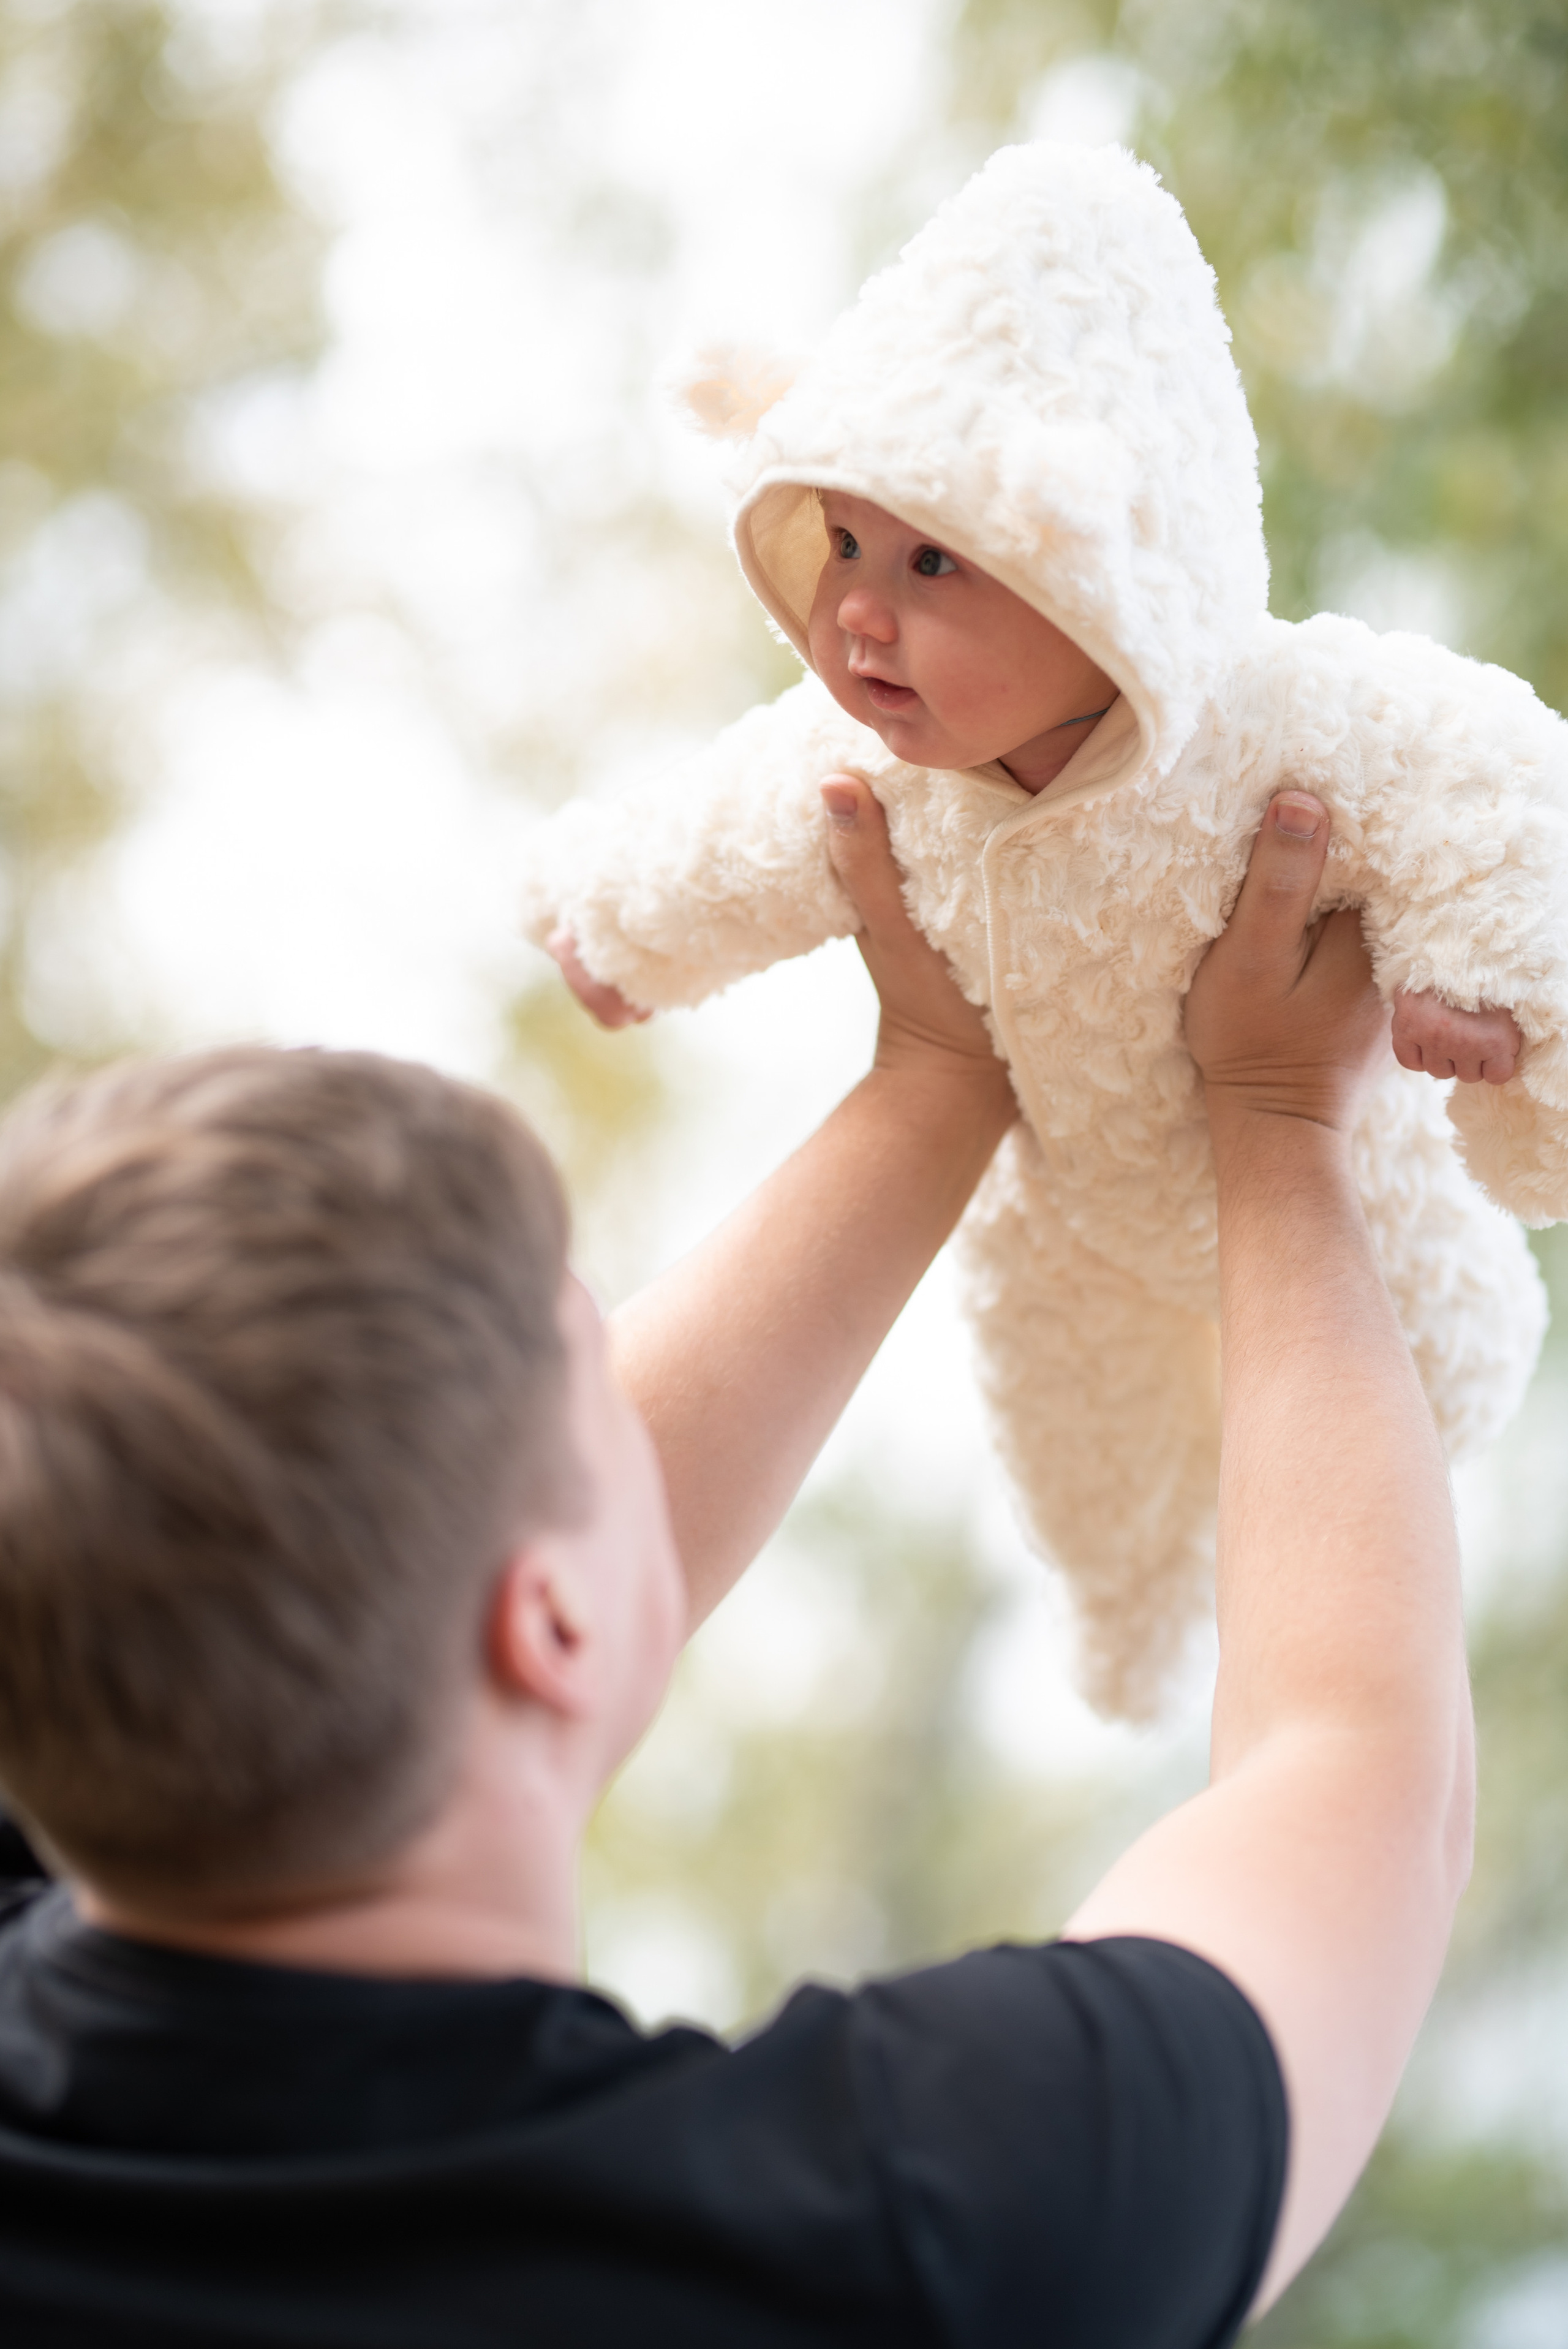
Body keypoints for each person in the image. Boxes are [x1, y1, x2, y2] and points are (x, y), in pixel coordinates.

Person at [0, 784, 1469, 2347]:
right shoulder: (905, 2238)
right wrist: (1279, 1117)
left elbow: (387, 1570)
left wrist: (940, 1073)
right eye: (595, 1369)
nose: (637, 1403)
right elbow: (1363, 1776)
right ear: (547, 1618)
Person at [522, 138, 1560, 1723]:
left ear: (1104, 564)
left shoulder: (1285, 722)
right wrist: (621, 926)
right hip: (1062, 1205)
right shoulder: (871, 767)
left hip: (1333, 1162)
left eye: (935, 559)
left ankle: (1395, 1562)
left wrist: (1495, 986)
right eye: (846, 546)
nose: (862, 612)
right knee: (1076, 1437)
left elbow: (1485, 781)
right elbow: (723, 834)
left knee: (1434, 1350)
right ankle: (1127, 1617)